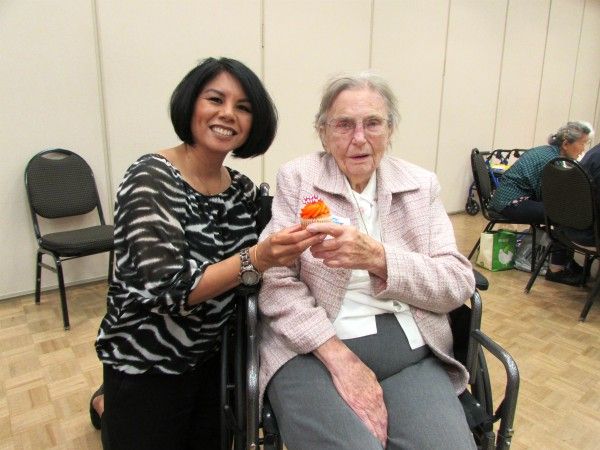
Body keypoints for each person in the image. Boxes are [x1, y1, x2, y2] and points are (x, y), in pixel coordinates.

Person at [91, 57, 325, 450]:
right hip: (147, 365)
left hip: (215, 361)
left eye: (243, 108)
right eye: (215, 99)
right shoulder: (151, 178)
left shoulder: (242, 190)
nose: (228, 114)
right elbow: (169, 291)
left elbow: (281, 242)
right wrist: (258, 257)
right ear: (191, 105)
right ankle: (104, 404)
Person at [257, 72, 477, 450]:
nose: (359, 138)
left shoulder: (420, 185)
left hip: (411, 351)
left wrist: (379, 257)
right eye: (343, 124)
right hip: (311, 347)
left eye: (372, 123)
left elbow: (456, 283)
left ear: (390, 130)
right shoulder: (298, 179)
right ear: (323, 133)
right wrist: (337, 356)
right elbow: (276, 282)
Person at [488, 121, 594, 286]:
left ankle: (564, 262)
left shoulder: (548, 152)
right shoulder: (553, 160)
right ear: (566, 144)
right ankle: (556, 270)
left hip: (510, 199)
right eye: (582, 143)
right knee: (563, 215)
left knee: (562, 212)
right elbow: (551, 198)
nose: (583, 149)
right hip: (511, 202)